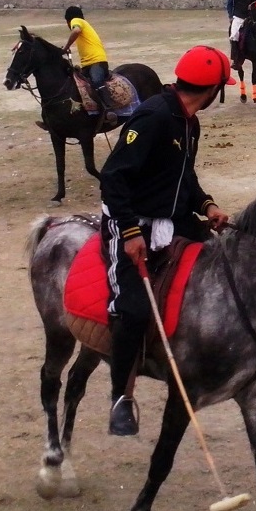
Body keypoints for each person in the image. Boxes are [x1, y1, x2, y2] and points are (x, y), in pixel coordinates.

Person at [98, 45, 233, 436]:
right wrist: (129, 231)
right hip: (130, 220)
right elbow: (114, 177)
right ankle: (121, 398)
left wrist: (207, 207)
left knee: (223, 257)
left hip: (171, 219)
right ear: (212, 90)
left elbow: (183, 177)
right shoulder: (155, 115)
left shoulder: (190, 122)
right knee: (134, 309)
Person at [61, 6, 113, 115]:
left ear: (68, 20)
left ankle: (108, 109)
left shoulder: (76, 21)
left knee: (96, 82)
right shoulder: (85, 24)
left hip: (96, 61)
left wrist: (65, 48)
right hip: (87, 63)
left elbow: (76, 30)